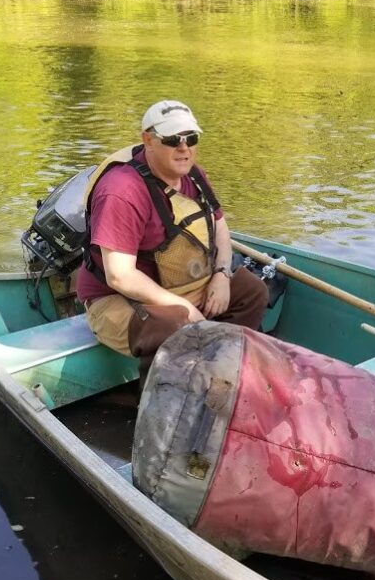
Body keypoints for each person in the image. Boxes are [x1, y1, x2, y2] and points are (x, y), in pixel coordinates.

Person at [75, 100, 267, 379]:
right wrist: (187, 309)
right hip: (117, 299)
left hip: (179, 288)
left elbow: (221, 227)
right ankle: (160, 406)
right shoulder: (121, 191)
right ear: (148, 140)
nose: (184, 148)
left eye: (191, 138)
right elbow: (120, 277)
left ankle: (221, 374)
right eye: (172, 139)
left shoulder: (194, 175)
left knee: (253, 291)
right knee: (174, 327)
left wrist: (222, 275)